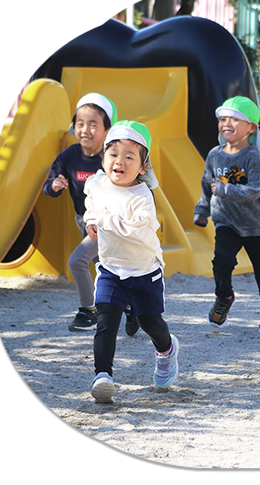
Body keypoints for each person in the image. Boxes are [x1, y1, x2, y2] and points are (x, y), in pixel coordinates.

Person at [84, 120, 179, 403]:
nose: (119, 161)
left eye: (129, 156)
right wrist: (90, 220)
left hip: (143, 271)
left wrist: (102, 219)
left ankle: (167, 351)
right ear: (103, 158)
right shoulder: (97, 183)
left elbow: (134, 231)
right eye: (113, 154)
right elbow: (91, 203)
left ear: (143, 166)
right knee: (106, 321)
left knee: (151, 324)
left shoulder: (142, 197)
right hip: (111, 269)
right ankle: (103, 376)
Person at [43, 93, 139, 336]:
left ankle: (89, 311)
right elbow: (49, 183)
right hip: (83, 219)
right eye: (80, 124)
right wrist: (54, 185)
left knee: (77, 261)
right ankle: (131, 305)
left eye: (93, 124)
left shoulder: (112, 156)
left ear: (107, 130)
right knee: (105, 268)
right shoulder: (69, 155)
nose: (85, 130)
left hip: (108, 221)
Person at [193, 96, 260, 333]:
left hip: (256, 224)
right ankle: (224, 297)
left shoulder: (253, 157)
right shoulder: (214, 155)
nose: (226, 123)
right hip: (226, 221)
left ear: (252, 127)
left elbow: (254, 190)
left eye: (234, 119)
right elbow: (206, 185)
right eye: (223, 119)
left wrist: (223, 189)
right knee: (221, 262)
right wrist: (202, 210)